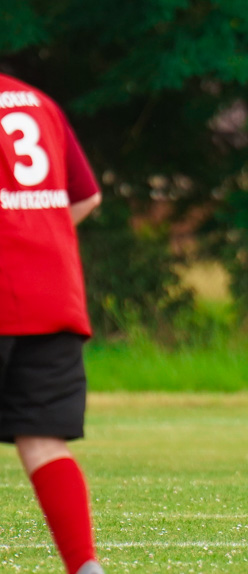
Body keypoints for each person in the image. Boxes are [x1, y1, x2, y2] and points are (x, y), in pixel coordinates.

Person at [0, 73, 105, 574]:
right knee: (43, 440)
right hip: (52, 292)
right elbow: (86, 198)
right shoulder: (38, 101)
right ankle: (86, 568)